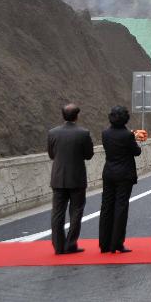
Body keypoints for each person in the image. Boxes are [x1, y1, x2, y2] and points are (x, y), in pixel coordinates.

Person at [48, 103, 94, 255]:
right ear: (77, 116)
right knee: (76, 211)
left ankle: (58, 246)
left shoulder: (53, 133)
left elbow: (51, 154)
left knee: (57, 212)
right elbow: (88, 155)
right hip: (76, 178)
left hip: (58, 177)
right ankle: (71, 243)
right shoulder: (83, 133)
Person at [98, 106, 142, 254]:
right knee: (121, 207)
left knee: (106, 207)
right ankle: (117, 243)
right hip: (124, 174)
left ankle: (104, 243)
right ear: (126, 118)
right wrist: (137, 141)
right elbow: (136, 152)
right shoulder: (127, 135)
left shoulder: (105, 133)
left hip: (109, 172)